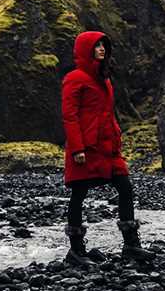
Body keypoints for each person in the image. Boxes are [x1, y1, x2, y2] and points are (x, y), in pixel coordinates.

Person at [60, 30, 154, 266]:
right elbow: (70, 116)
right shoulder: (74, 78)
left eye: (104, 45)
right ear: (86, 49)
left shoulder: (105, 79)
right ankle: (76, 251)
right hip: (86, 148)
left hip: (108, 148)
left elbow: (107, 114)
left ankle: (131, 245)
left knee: (125, 187)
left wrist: (116, 139)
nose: (102, 49)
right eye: (97, 45)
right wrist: (77, 149)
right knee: (79, 194)